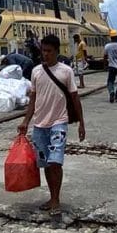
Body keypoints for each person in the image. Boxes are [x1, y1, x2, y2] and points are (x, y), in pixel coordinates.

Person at [17, 33, 86, 214]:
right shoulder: (36, 71)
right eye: (43, 51)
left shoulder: (66, 71)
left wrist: (81, 123)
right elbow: (33, 98)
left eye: (49, 51)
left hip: (59, 123)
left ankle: (56, 199)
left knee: (56, 162)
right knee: (46, 163)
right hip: (40, 125)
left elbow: (74, 97)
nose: (45, 55)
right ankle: (51, 196)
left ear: (56, 51)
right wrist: (26, 121)